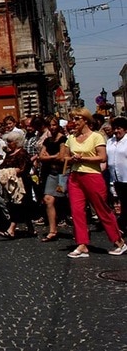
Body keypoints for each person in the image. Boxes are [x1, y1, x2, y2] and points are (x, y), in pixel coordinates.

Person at [61, 108, 127, 258]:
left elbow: (102, 157)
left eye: (77, 119)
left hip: (92, 176)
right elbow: (63, 157)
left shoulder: (96, 137)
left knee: (101, 209)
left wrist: (83, 158)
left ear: (85, 120)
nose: (74, 122)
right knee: (77, 210)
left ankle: (119, 241)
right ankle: (82, 244)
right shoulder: (71, 138)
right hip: (75, 176)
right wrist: (71, 159)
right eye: (73, 119)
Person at [37, 116, 68, 242]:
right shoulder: (48, 140)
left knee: (63, 199)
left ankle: (78, 226)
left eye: (54, 125)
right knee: (48, 199)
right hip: (52, 173)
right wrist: (52, 157)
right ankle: (52, 230)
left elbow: (62, 157)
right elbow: (41, 157)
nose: (52, 127)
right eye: (50, 125)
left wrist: (49, 157)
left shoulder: (63, 139)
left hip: (63, 173)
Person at [106, 116, 127, 233]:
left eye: (119, 128)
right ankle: (122, 225)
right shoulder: (110, 141)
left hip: (126, 176)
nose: (116, 131)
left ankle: (121, 225)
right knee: (121, 202)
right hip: (115, 178)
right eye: (115, 128)